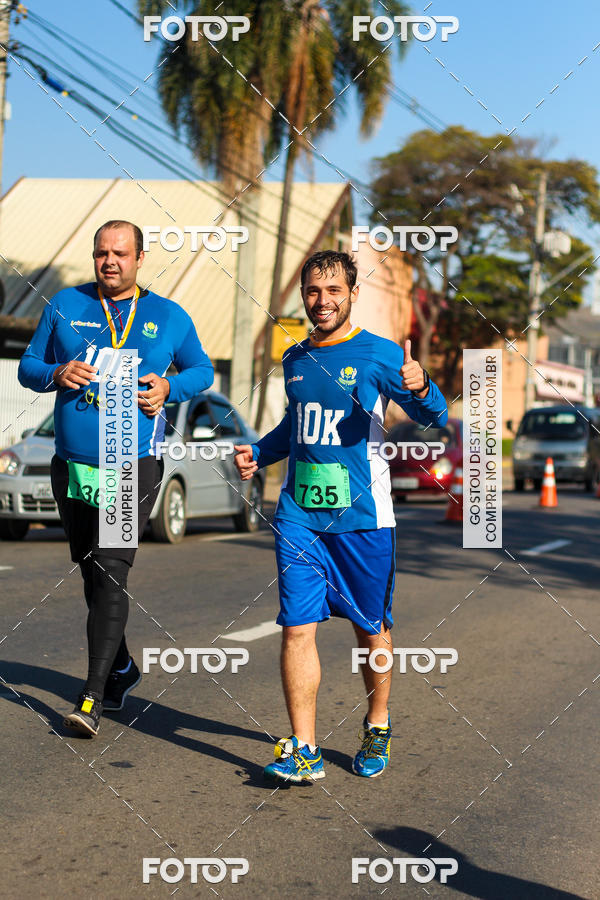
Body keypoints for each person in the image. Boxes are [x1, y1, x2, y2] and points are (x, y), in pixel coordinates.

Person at [234, 249, 447, 781]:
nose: (321, 301)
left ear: (353, 294)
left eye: (333, 291)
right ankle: (303, 748)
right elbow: (296, 426)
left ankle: (377, 724)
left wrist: (420, 385)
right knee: (296, 629)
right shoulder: (296, 358)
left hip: (363, 518)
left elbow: (432, 416)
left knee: (369, 628)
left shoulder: (378, 355)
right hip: (299, 514)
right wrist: (260, 452)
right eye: (312, 291)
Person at [18, 220, 213, 736]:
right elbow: (28, 365)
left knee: (110, 572)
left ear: (140, 258)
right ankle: (122, 668)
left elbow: (202, 370)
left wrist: (170, 386)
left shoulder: (168, 316)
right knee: (89, 571)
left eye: (120, 253)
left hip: (130, 467)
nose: (110, 261)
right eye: (102, 252)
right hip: (73, 467)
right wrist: (55, 373)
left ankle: (91, 698)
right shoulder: (64, 303)